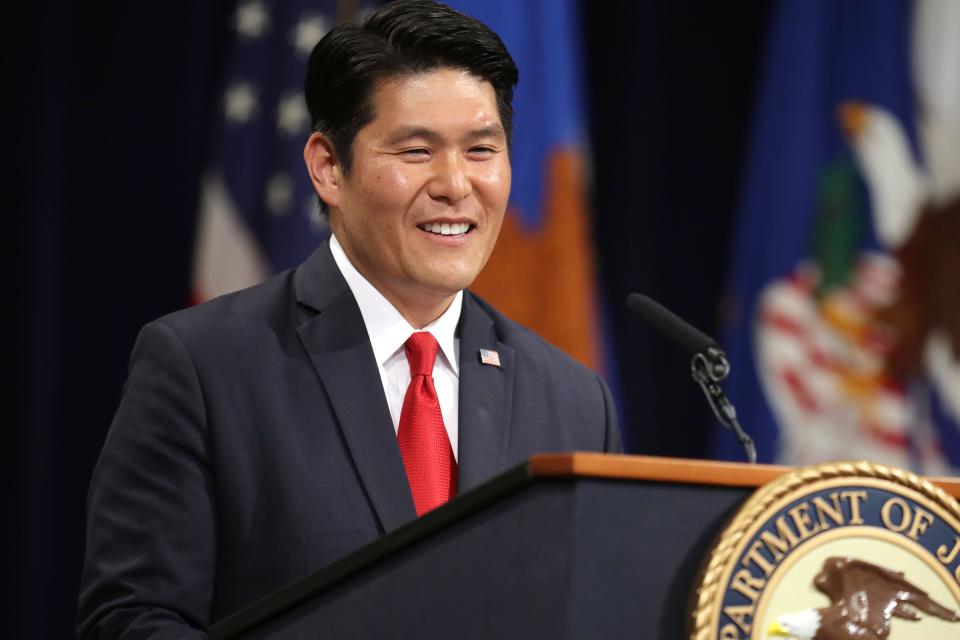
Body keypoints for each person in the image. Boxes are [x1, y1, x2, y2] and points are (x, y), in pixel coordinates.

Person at [77, 1, 621, 636]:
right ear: (328, 168)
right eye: (417, 150)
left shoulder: (573, 400)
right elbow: (133, 620)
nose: (455, 184)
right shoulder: (203, 367)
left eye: (481, 150)